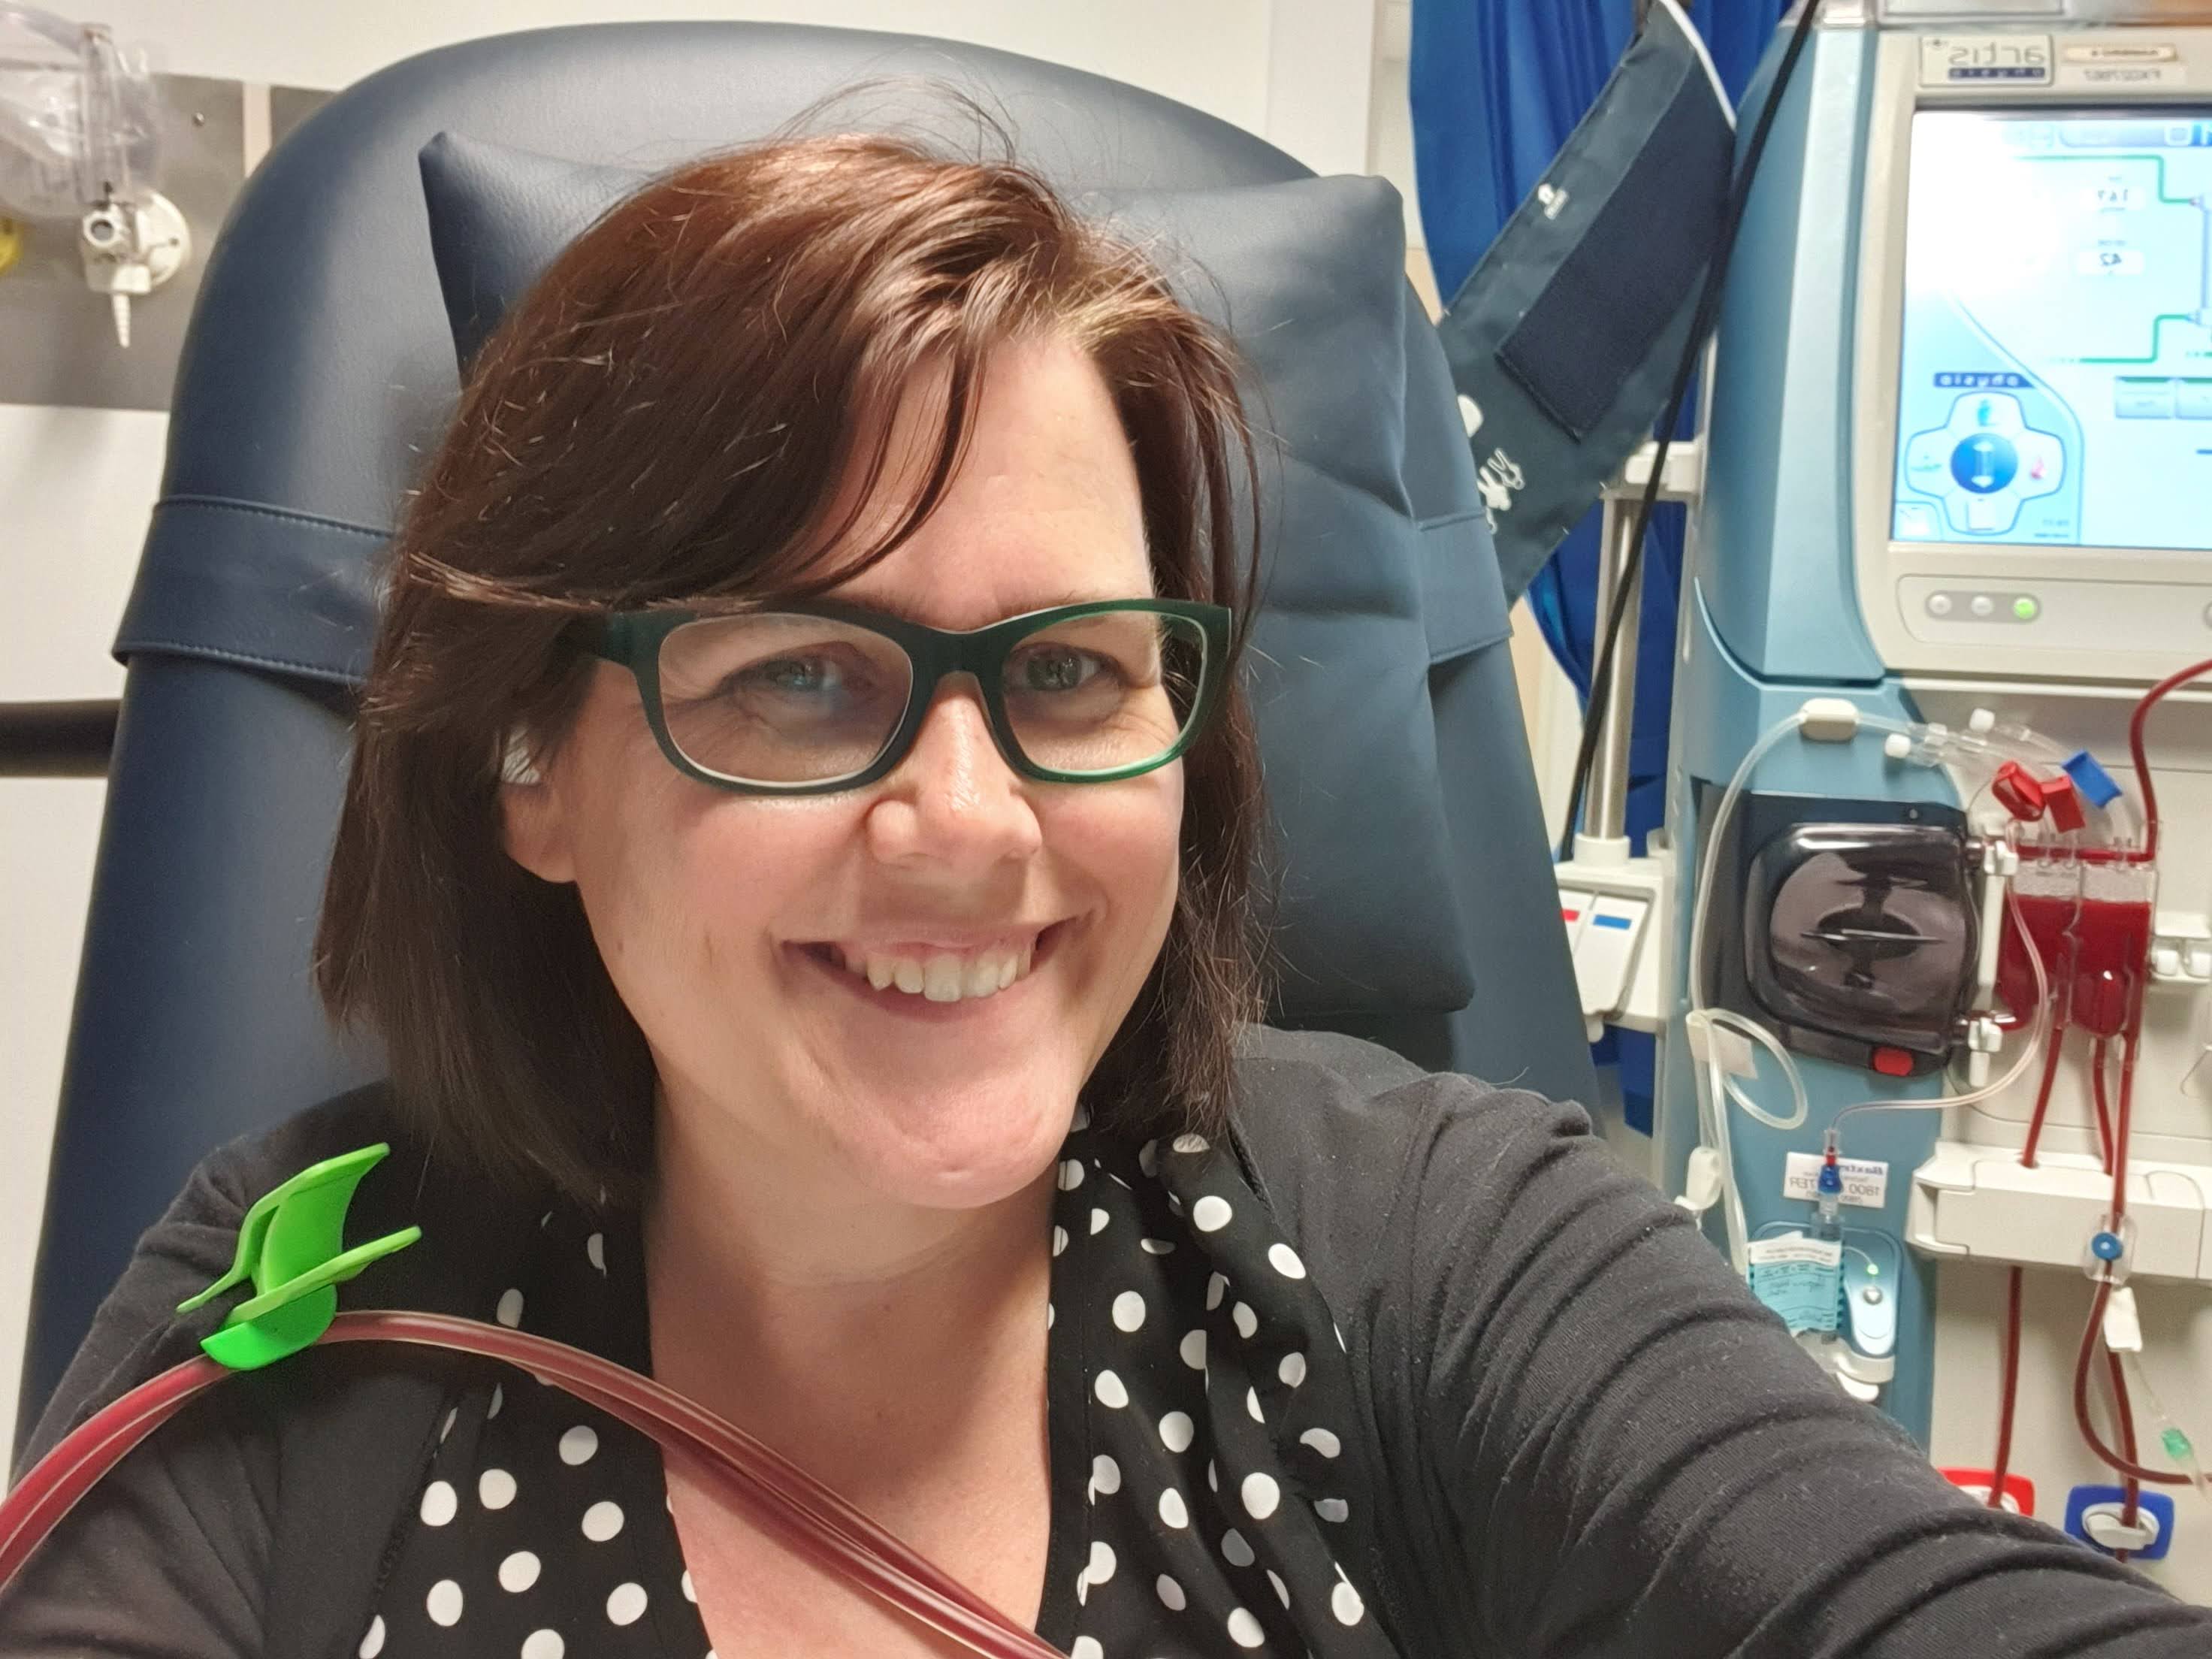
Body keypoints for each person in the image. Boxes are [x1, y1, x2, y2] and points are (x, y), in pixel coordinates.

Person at [4, 125, 2207, 1659]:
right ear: (536, 770)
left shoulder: (1440, 1256)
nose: (966, 821)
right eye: (795, 675)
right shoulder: (313, 1313)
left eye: (1065, 672)